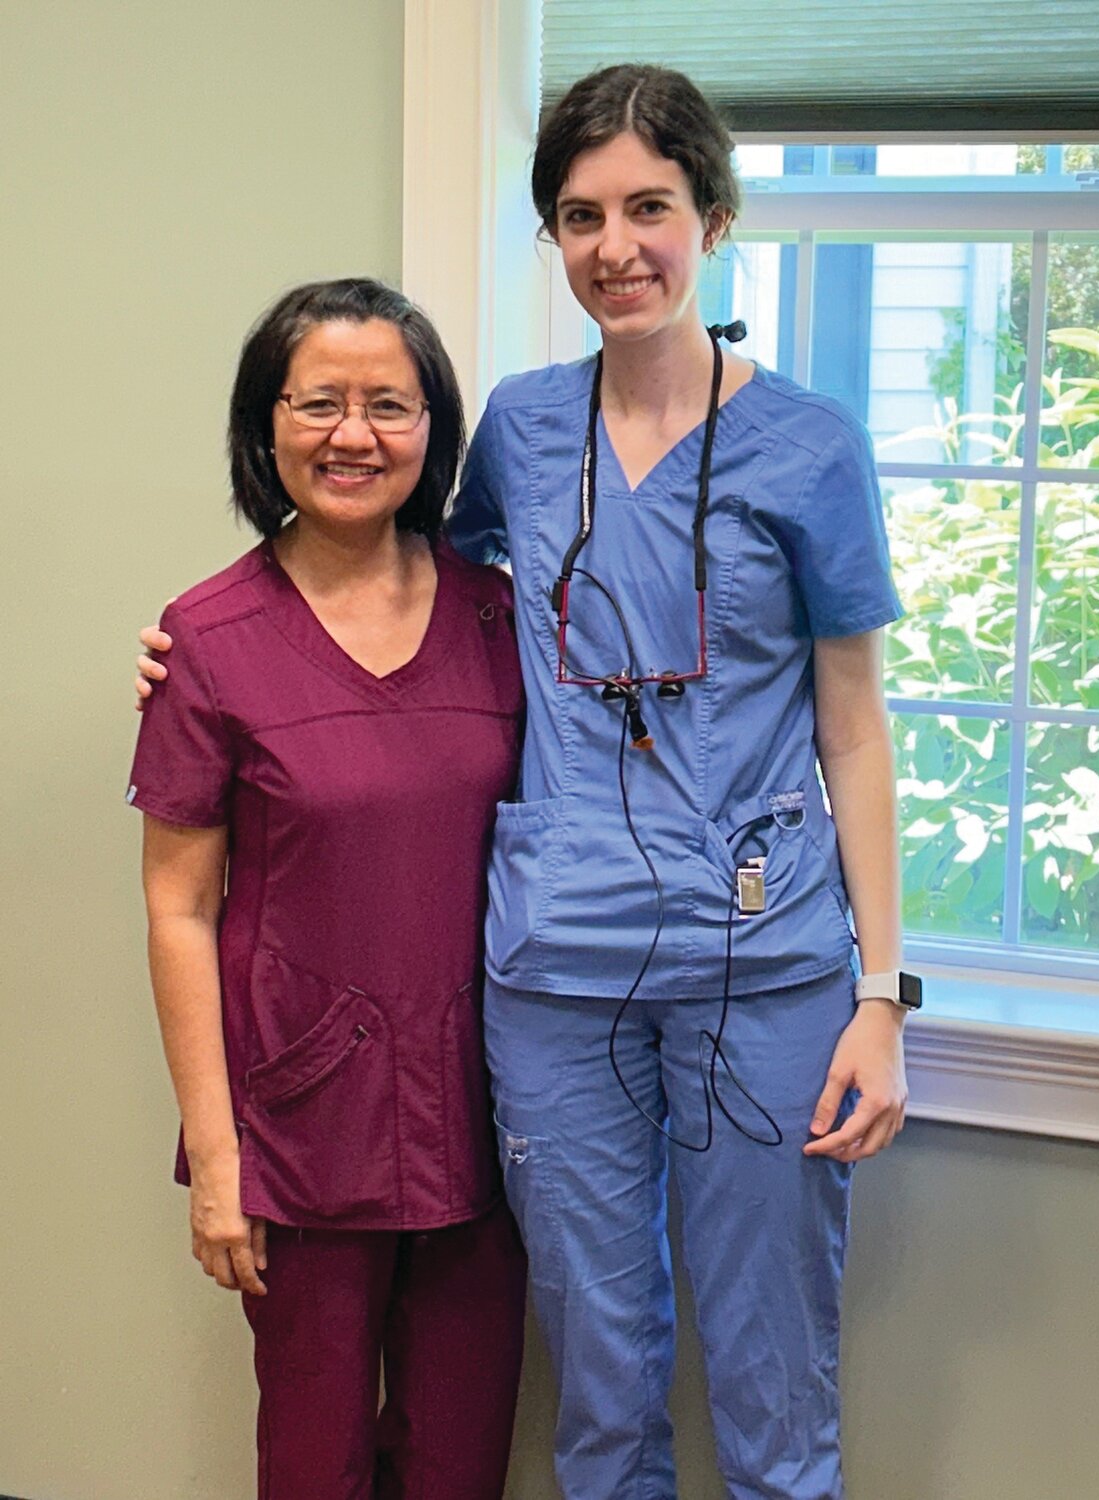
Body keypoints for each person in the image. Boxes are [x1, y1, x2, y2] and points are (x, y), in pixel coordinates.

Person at [137, 65, 912, 1500]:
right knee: (599, 1375)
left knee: (770, 1366)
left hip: (763, 958)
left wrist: (880, 992)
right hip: (557, 971)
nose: (616, 245)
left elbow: (855, 730)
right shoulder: (523, 428)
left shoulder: (812, 448)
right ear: (551, 237)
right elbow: (402, 578)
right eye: (580, 213)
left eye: (649, 208)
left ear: (714, 216)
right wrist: (211, 648)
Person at [127, 278, 526, 1500]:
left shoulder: (502, 616)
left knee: (461, 1458)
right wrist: (220, 1157)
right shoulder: (207, 639)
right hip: (301, 1128)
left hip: (493, 1112)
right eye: (320, 403)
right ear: (268, 426)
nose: (354, 434)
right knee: (314, 1462)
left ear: (433, 431)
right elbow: (179, 908)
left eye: (389, 405)